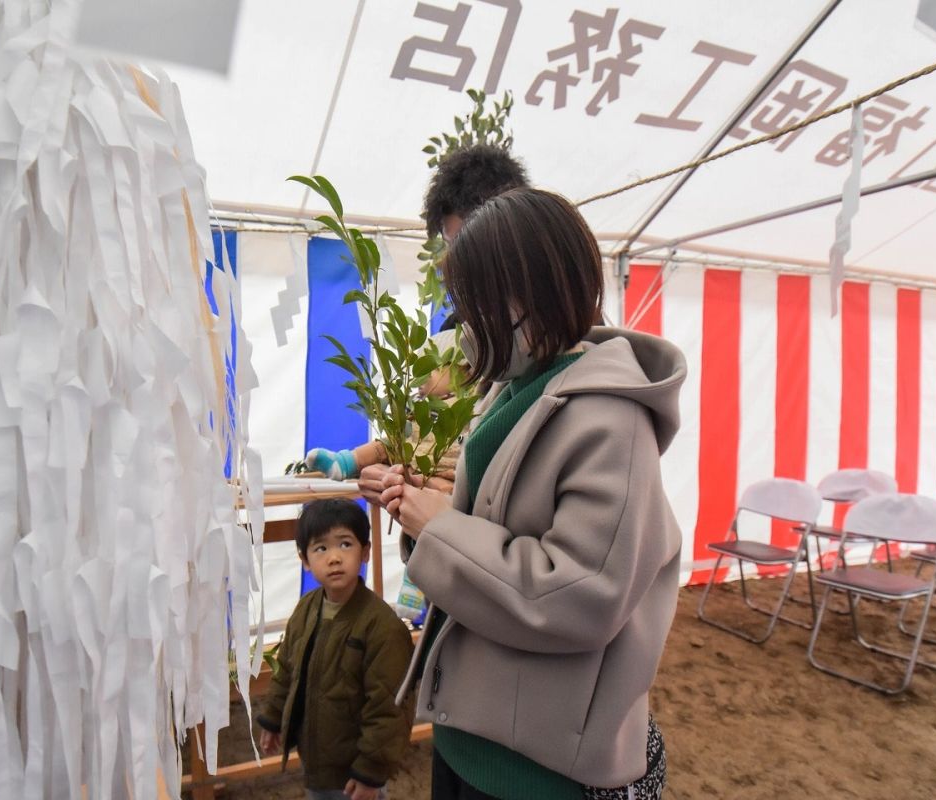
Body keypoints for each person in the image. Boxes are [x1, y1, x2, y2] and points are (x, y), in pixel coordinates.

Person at [379, 188, 685, 799]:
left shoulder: (612, 423)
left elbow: (580, 596)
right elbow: (497, 522)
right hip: (472, 730)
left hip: (537, 767)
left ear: (533, 295)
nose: (466, 324)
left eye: (477, 303)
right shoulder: (518, 387)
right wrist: (425, 506)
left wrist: (440, 527)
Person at [311, 144, 529, 493]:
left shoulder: (541, 357)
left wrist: (443, 509)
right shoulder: (459, 331)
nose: (458, 262)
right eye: (450, 243)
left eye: (464, 243)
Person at [256, 499, 414, 800]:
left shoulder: (382, 627)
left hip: (357, 769)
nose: (334, 558)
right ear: (304, 559)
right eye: (321, 548)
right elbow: (287, 670)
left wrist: (371, 771)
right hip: (317, 758)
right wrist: (274, 719)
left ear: (365, 551)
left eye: (345, 544)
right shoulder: (305, 609)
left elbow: (389, 706)